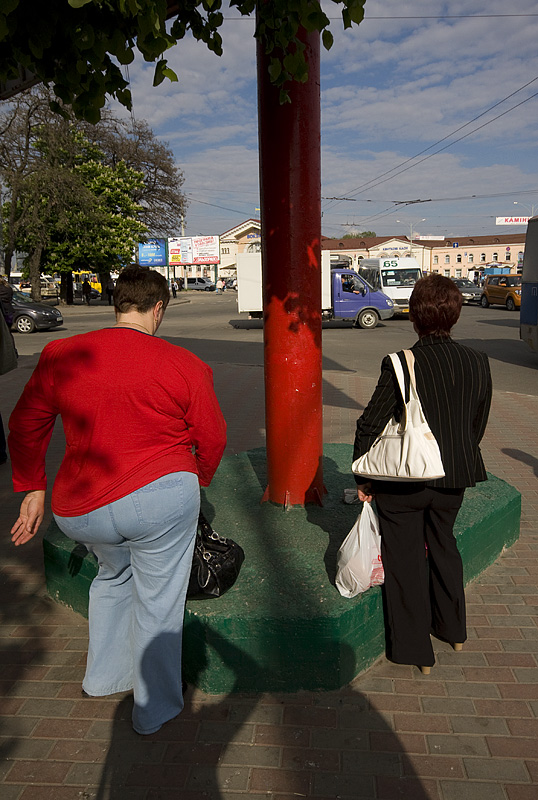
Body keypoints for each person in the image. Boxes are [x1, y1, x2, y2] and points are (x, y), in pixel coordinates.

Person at [9, 266, 227, 734]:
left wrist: (33, 486)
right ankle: (153, 709)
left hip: (80, 510)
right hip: (159, 499)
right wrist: (198, 479)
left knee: (113, 575)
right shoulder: (183, 364)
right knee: (158, 602)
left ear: (116, 304)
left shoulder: (60, 354)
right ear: (158, 307)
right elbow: (212, 438)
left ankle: (103, 677)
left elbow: (25, 425)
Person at [353, 274, 491, 674]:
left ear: (414, 316)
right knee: (444, 547)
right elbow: (476, 426)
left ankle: (415, 652)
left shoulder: (400, 363)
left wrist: (363, 476)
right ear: (456, 315)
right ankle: (454, 630)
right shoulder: (478, 361)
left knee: (406, 560)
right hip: (455, 476)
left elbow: (369, 425)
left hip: (404, 483)